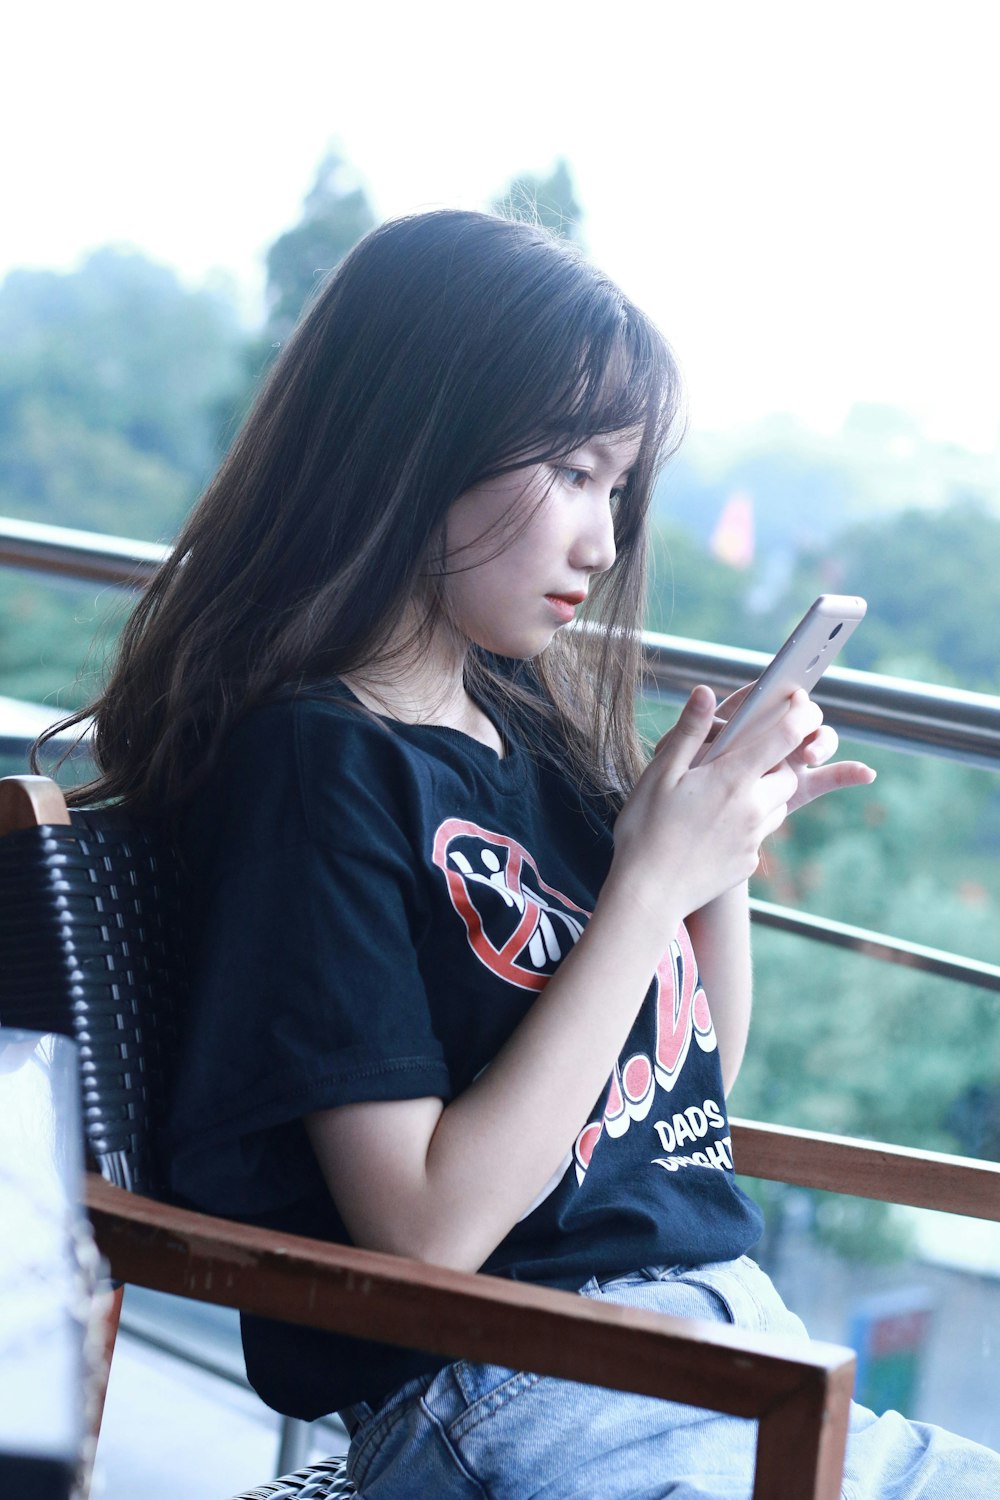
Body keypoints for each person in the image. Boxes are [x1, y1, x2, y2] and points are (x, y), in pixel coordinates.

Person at [43, 211, 999, 1498]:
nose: (601, 545)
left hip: (729, 1356)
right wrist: (647, 883)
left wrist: (712, 856)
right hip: (524, 1398)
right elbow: (429, 1234)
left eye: (617, 487)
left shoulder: (525, 734)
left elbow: (668, 1103)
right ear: (411, 444)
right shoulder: (320, 767)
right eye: (571, 472)